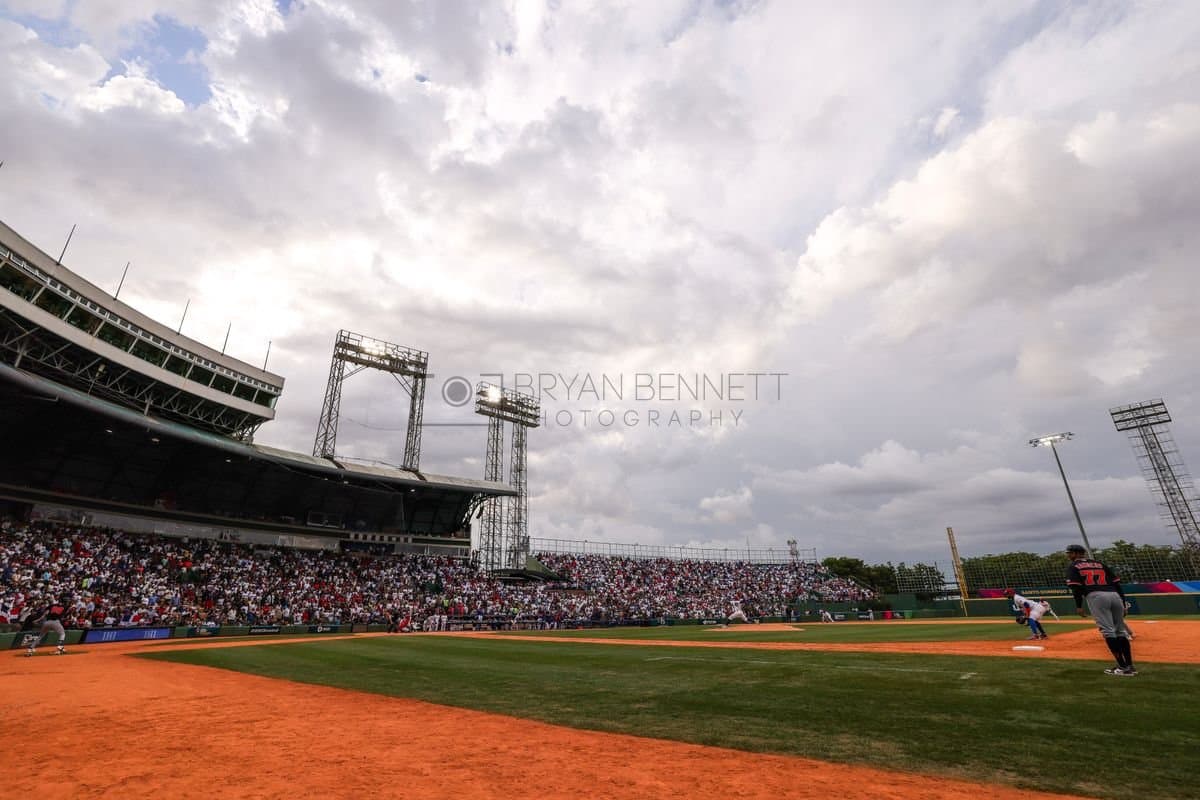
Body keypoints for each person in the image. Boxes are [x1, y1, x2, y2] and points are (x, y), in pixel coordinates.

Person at [1065, 544, 1136, 676]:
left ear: (1075, 553)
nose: (1068, 555)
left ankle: (1122, 667)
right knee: (1120, 631)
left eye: (1069, 553)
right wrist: (1123, 602)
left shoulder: (1073, 566)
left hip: (1096, 596)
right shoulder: (1099, 563)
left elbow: (1076, 588)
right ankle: (1130, 666)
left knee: (1108, 631)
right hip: (1114, 595)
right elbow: (1117, 584)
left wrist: (1079, 606)